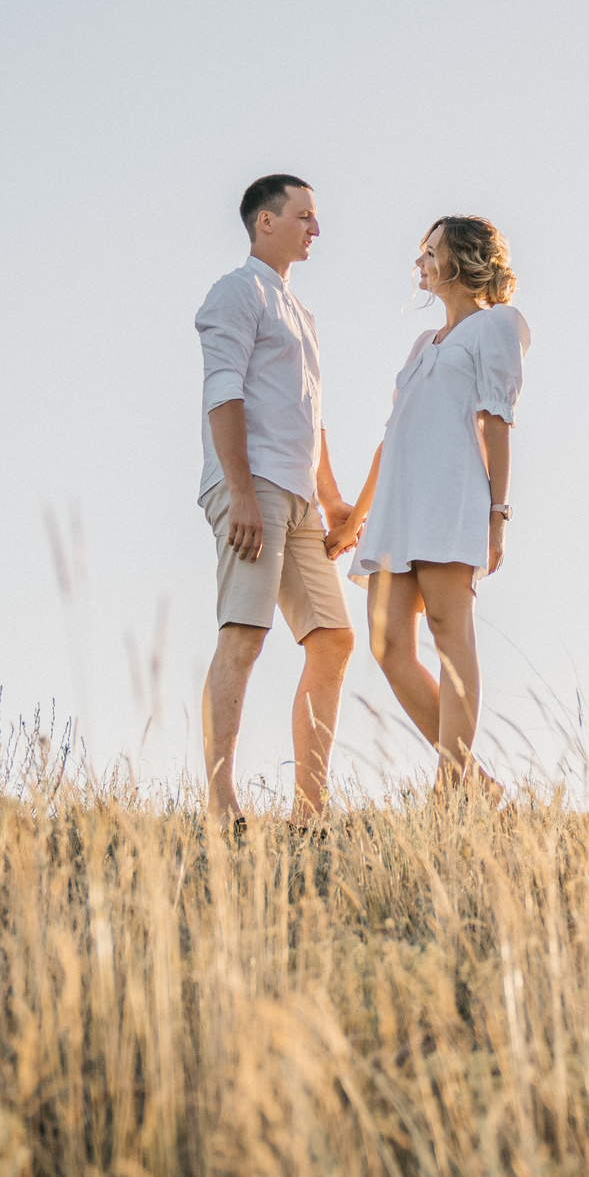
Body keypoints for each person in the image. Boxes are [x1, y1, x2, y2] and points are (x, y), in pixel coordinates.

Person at [331, 216, 529, 801]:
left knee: (449, 631)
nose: (420, 261)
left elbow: (497, 421)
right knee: (388, 644)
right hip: (398, 505)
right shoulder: (423, 344)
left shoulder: (496, 327)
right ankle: (477, 784)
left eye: (431, 250)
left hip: (451, 497)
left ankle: (450, 785)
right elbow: (392, 435)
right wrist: (354, 519)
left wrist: (497, 515)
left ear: (461, 260)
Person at [195, 174, 357, 828]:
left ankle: (309, 812)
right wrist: (240, 493)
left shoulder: (302, 315)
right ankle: (219, 799)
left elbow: (309, 419)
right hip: (251, 487)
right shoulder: (236, 292)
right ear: (267, 221)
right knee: (244, 633)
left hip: (299, 500)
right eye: (304, 216)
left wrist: (335, 502)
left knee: (334, 640)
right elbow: (222, 392)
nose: (315, 229)